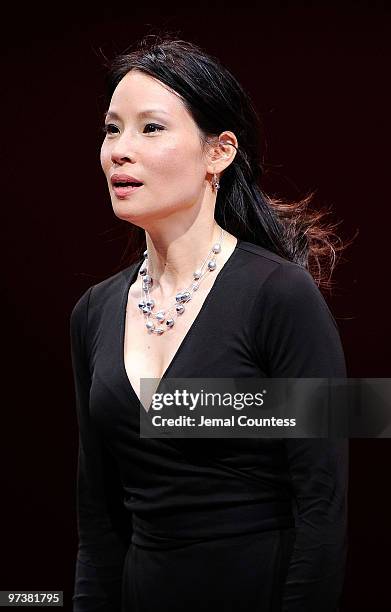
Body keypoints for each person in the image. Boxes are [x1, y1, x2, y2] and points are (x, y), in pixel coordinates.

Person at [70, 34, 349, 612]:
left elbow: (322, 506)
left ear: (219, 152)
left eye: (150, 128)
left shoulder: (279, 295)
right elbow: (97, 521)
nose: (120, 150)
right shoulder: (94, 312)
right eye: (111, 128)